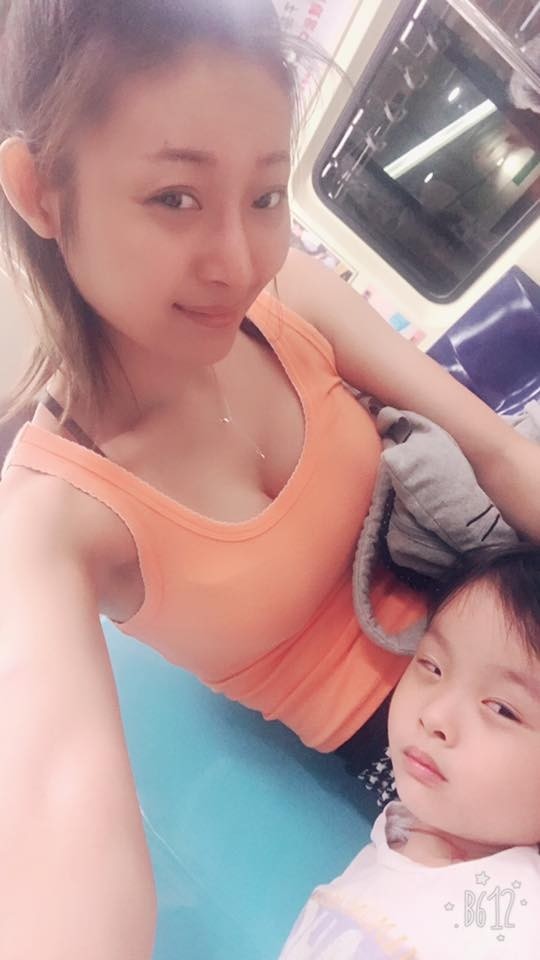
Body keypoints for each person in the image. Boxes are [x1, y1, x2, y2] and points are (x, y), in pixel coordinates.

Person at [0, 2, 539, 958]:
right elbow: (57, 813)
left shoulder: (285, 300)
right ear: (39, 191)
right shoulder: (54, 517)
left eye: (264, 195)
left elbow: (495, 452)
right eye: (176, 198)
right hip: (426, 755)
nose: (240, 259)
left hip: (503, 598)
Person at [279, 545, 540, 958]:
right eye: (432, 666)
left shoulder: (514, 917)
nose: (433, 715)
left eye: (502, 709)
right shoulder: (399, 831)